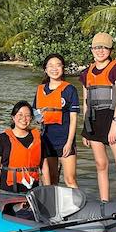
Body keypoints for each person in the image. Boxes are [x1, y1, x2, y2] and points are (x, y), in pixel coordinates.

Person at [80, 32, 116, 203]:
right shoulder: (86, 73)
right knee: (100, 164)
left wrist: (114, 126)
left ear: (110, 50)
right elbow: (86, 102)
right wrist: (85, 130)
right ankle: (104, 202)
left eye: (104, 47)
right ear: (92, 49)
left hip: (113, 119)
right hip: (94, 121)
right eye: (97, 47)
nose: (100, 51)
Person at [33, 53, 79, 187]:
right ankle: (53, 206)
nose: (54, 68)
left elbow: (73, 118)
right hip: (47, 140)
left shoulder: (70, 89)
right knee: (51, 178)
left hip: (65, 139)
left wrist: (69, 143)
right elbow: (35, 115)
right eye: (50, 66)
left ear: (63, 68)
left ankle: (78, 206)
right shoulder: (40, 89)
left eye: (58, 65)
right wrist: (38, 117)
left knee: (70, 179)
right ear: (45, 70)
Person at [0, 101, 49, 193]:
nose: (24, 119)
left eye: (27, 115)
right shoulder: (2, 139)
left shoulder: (39, 139)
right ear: (13, 117)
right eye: (20, 115)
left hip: (33, 191)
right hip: (8, 190)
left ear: (31, 118)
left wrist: (48, 192)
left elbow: (44, 168)